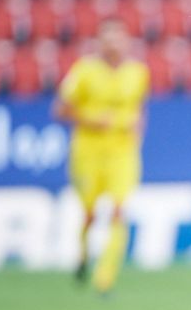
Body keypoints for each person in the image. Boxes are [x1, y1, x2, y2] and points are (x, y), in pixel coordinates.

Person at [53, 17, 150, 295]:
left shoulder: (138, 72)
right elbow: (60, 109)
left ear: (127, 42)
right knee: (90, 215)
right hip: (88, 152)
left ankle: (104, 279)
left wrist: (138, 128)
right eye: (108, 39)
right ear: (99, 43)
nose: (114, 45)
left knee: (119, 212)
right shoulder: (84, 71)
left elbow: (140, 107)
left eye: (118, 39)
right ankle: (83, 256)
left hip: (123, 153)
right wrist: (91, 120)